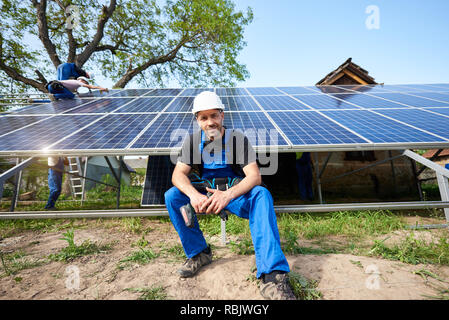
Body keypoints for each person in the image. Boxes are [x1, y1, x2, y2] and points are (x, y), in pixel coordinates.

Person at [164, 91, 295, 300]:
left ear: (222, 116)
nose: (210, 122)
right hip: (206, 196)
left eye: (214, 116)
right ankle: (199, 253)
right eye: (203, 118)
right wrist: (194, 195)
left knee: (261, 194)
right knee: (173, 196)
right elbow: (178, 174)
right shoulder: (191, 142)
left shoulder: (237, 139)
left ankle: (272, 275)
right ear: (197, 120)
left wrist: (227, 195)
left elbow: (254, 176)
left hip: (235, 196)